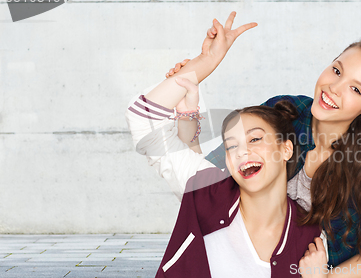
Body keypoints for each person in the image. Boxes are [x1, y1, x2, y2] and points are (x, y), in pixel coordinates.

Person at [166, 12, 361, 277]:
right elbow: (207, 178)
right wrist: (200, 71)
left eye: (356, 89)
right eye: (336, 70)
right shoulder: (286, 112)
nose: (334, 87)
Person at [125, 74, 322, 278]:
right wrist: (203, 63)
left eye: (254, 138)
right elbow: (144, 120)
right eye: (231, 145)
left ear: (286, 149)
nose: (241, 151)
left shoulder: (312, 238)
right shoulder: (206, 191)